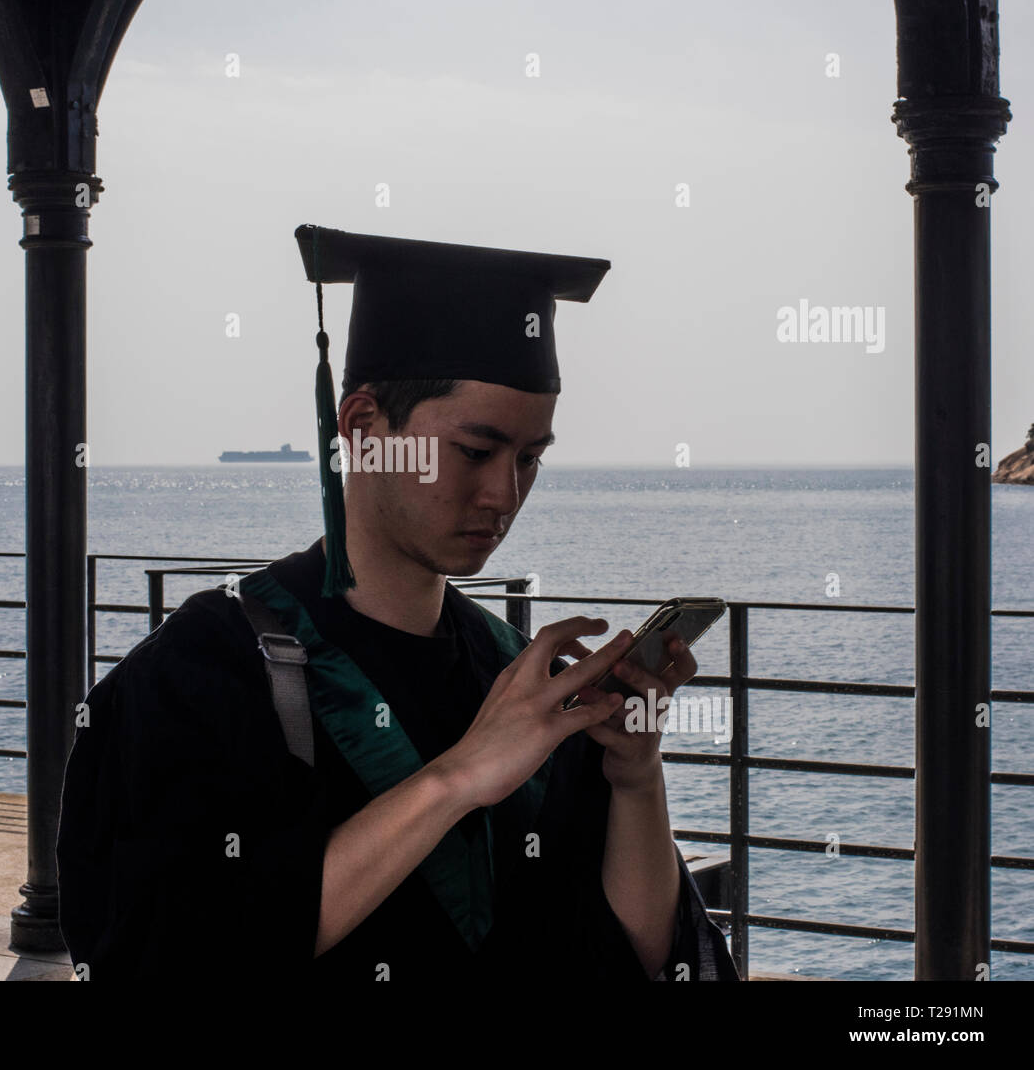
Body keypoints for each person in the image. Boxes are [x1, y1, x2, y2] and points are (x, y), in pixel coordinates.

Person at [55, 224, 739, 984]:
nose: (505, 494)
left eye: (531, 457)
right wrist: (457, 777)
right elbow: (170, 951)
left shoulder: (516, 680)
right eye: (475, 451)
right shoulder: (205, 672)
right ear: (363, 427)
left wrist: (636, 778)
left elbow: (637, 958)